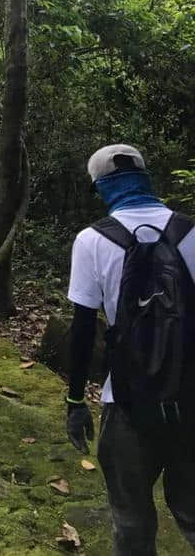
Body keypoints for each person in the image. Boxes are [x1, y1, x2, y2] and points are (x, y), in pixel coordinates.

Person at [66, 144, 195, 555]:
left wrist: (74, 402)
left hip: (126, 403)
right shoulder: (191, 231)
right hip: (190, 400)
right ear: (145, 179)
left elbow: (84, 329)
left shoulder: (91, 240)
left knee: (132, 523)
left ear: (102, 187)